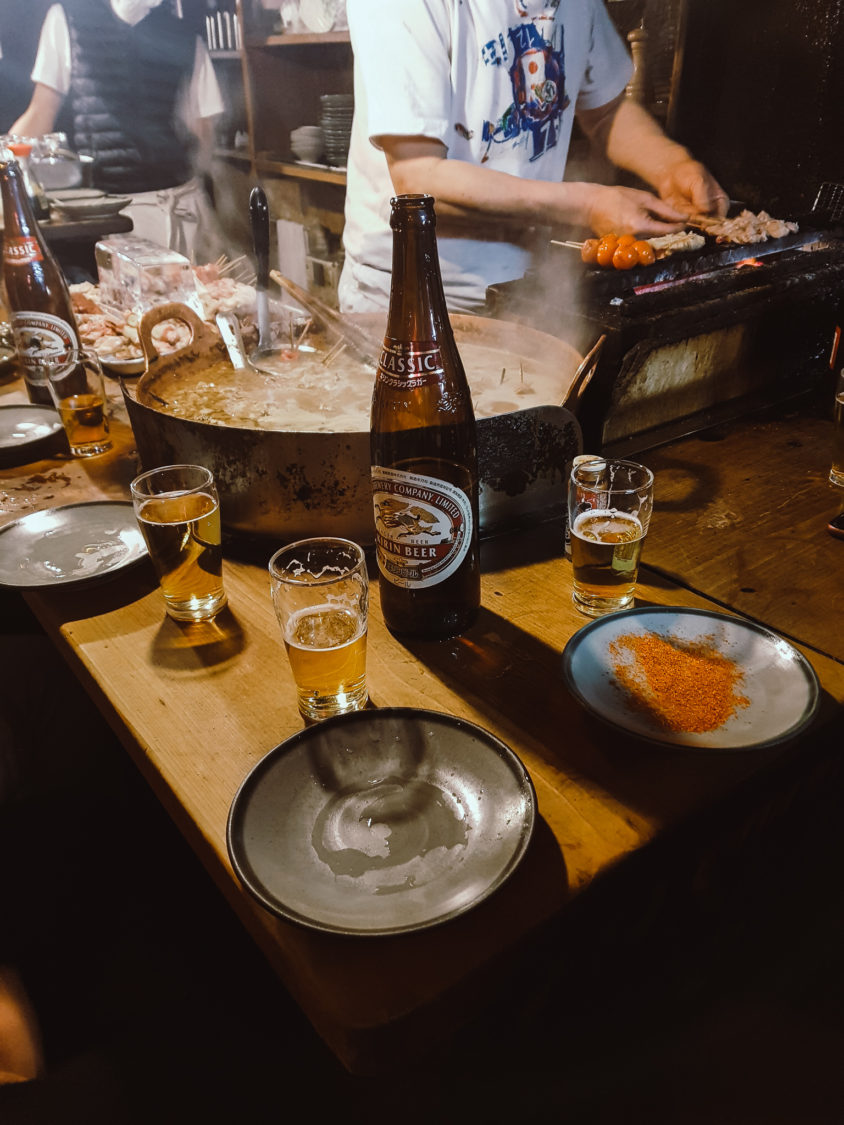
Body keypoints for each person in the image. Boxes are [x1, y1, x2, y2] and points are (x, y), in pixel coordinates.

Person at [339, 0, 729, 314]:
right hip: (408, 301)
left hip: (521, 292)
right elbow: (418, 180)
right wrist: (588, 204)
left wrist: (671, 165)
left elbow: (606, 110)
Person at [8, 0, 225, 259]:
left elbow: (203, 128)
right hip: (113, 214)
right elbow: (40, 114)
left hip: (181, 207)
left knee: (198, 297)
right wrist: (6, 160)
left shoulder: (185, 34)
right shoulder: (68, 20)